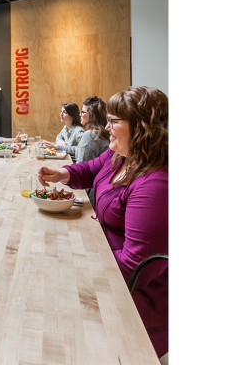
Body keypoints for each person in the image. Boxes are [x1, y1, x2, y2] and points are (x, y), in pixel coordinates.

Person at [36, 87, 168, 357]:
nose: (107, 128)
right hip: (104, 267)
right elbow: (90, 168)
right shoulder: (121, 155)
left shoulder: (155, 185)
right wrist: (61, 173)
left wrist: (74, 265)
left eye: (113, 121)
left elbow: (133, 267)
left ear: (141, 127)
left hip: (132, 309)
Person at [75, 96, 110, 163]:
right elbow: (78, 149)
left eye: (82, 112)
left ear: (92, 115)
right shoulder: (102, 133)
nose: (80, 114)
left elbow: (81, 168)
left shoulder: (90, 135)